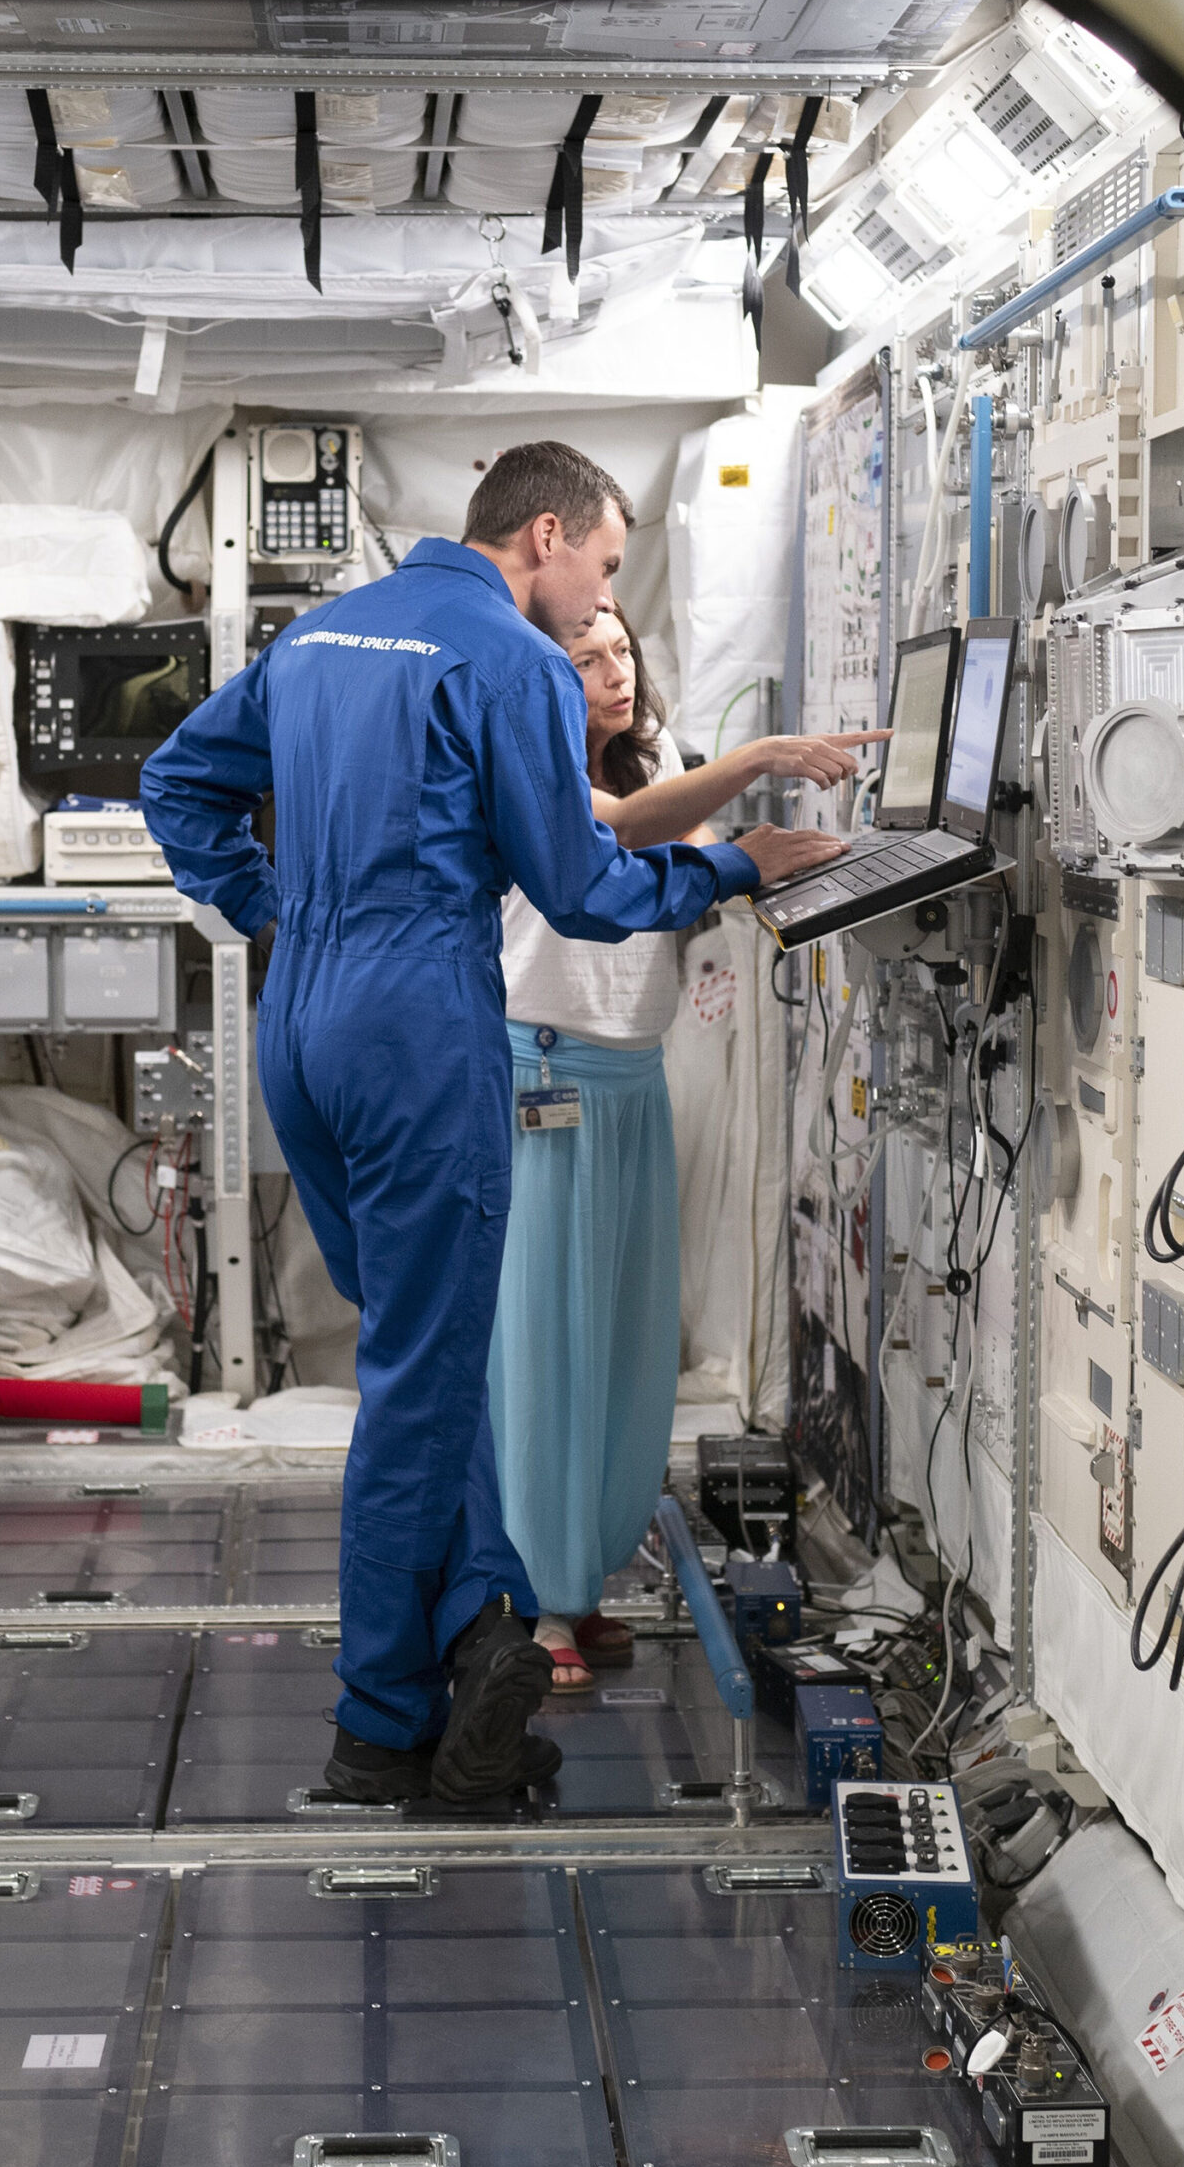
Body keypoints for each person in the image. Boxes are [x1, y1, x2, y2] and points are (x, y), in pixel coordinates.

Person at [139, 441, 846, 1807]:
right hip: (416, 1023)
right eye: (604, 565)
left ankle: (483, 1624)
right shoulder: (510, 662)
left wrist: (267, 906)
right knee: (417, 1383)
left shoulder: (319, 635)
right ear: (544, 535)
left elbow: (176, 780)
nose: (600, 600)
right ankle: (378, 1724)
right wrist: (732, 865)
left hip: (302, 1015)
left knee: (426, 1353)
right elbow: (582, 886)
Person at [489, 603, 886, 1685]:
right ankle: (533, 1601)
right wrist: (759, 761)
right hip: (544, 1076)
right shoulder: (532, 777)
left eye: (621, 649)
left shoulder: (659, 764)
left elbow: (712, 855)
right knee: (543, 1351)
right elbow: (618, 828)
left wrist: (841, 863)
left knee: (624, 1348)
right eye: (585, 657)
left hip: (626, 1078)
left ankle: (580, 1577)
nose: (613, 671)